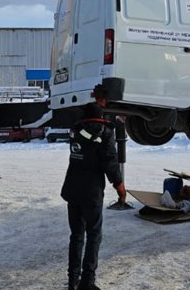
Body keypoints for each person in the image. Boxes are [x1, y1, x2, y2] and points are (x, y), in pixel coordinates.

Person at [61, 84, 125, 290]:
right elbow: (110, 162)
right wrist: (119, 185)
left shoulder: (75, 130)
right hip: (91, 192)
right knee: (94, 234)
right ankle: (88, 282)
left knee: (76, 235)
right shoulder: (104, 132)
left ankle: (73, 282)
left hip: (72, 189)